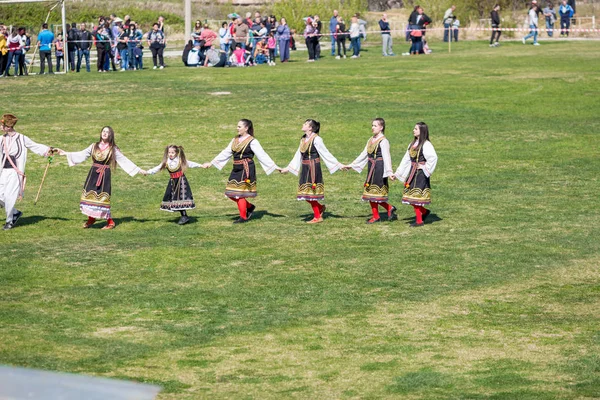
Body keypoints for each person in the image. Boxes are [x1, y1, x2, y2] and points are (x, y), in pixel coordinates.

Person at [58, 126, 144, 230]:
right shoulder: (94, 146)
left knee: (102, 198)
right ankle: (91, 218)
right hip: (93, 174)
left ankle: (110, 222)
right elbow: (82, 154)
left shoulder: (113, 148)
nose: (104, 133)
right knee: (89, 195)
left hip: (104, 175)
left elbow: (124, 160)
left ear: (110, 135)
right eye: (103, 131)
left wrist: (139, 170)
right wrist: (65, 153)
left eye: (107, 132)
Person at [202, 119, 279, 224]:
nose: (237, 128)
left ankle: (243, 217)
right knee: (230, 193)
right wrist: (211, 163)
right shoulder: (235, 140)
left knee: (239, 194)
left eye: (239, 127)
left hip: (246, 169)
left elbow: (262, 155)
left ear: (246, 128)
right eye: (237, 126)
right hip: (236, 168)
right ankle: (249, 207)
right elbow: (226, 152)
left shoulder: (252, 141)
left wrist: (275, 167)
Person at [279, 119, 343, 224]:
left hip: (313, 167)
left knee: (311, 193)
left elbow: (325, 153)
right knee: (304, 193)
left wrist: (338, 165)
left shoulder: (317, 139)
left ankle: (318, 217)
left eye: (305, 124)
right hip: (305, 167)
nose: (303, 125)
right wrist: (288, 168)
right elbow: (298, 155)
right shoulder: (303, 139)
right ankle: (320, 207)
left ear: (310, 128)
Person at [0, 114, 54, 230]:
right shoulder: (1, 139)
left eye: (2, 125)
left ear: (8, 126)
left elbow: (34, 146)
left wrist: (48, 150)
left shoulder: (22, 138)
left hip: (15, 172)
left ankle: (10, 220)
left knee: (9, 196)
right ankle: (15, 213)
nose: (1, 127)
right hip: (2, 172)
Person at [344, 118, 396, 224]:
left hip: (379, 169)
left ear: (381, 128)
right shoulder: (370, 140)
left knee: (376, 192)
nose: (372, 128)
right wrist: (352, 165)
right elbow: (364, 154)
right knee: (370, 193)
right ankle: (387, 209)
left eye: (375, 126)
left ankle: (378, 215)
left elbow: (387, 157)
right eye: (372, 125)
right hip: (371, 167)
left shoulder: (383, 141)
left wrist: (389, 172)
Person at [390, 122, 438, 227]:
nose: (413, 130)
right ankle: (424, 212)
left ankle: (419, 221)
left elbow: (433, 158)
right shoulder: (412, 144)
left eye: (416, 129)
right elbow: (405, 160)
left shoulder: (426, 144)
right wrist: (397, 173)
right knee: (410, 197)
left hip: (420, 175)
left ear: (422, 131)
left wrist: (424, 167)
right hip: (412, 173)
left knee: (416, 198)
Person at [144, 145, 203, 225]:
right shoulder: (166, 162)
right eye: (169, 152)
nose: (170, 154)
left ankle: (184, 216)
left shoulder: (180, 160)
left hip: (181, 181)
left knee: (180, 198)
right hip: (172, 182)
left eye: (172, 152)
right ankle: (184, 216)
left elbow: (190, 164)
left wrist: (201, 165)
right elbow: (157, 168)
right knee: (174, 198)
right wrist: (147, 172)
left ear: (177, 153)